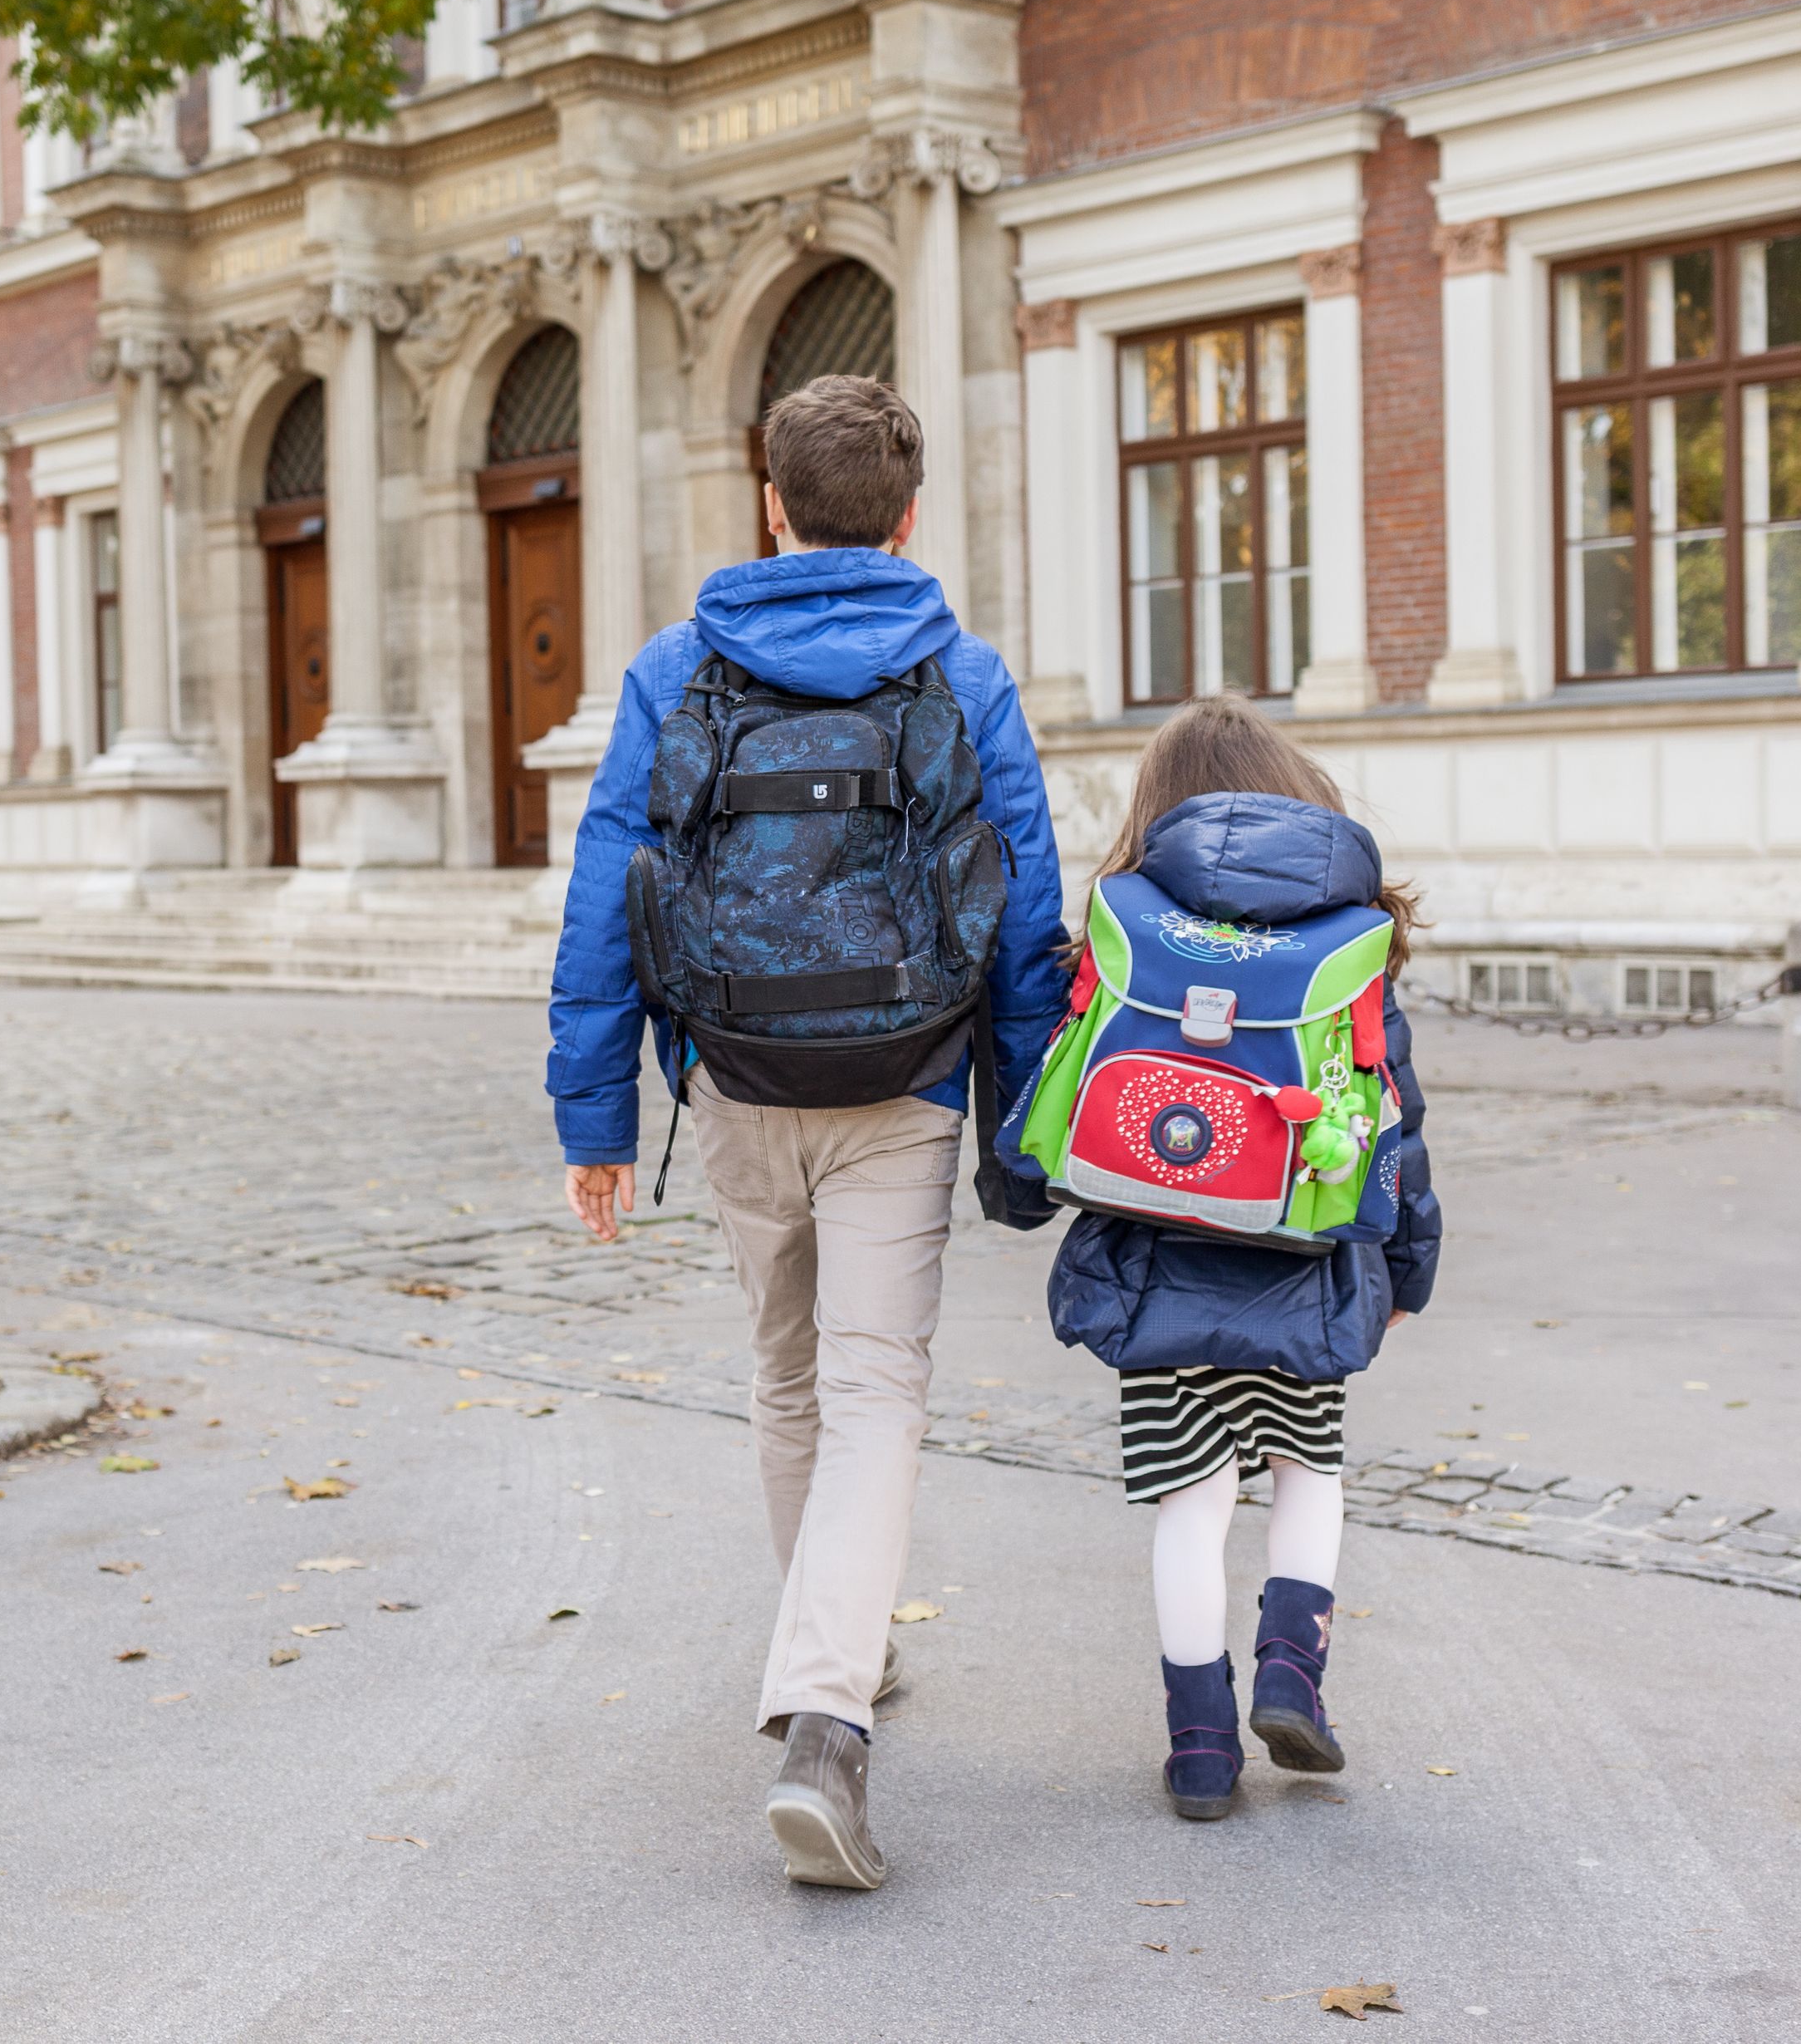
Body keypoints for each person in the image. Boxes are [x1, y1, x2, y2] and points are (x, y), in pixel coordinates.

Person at [547, 373, 1067, 1892]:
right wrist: (1023, 1121)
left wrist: (597, 1109)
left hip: (733, 1079)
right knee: (876, 1387)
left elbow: (604, 894)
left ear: (771, 503)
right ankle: (828, 1714)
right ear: (906, 517)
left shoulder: (672, 667)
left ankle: (823, 1651)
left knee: (788, 1373)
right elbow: (1023, 911)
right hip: (900, 1081)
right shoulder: (960, 670)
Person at [1003, 697, 1440, 1821]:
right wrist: (1410, 1268)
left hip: (1157, 1264)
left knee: (1190, 1502)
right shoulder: (1347, 944)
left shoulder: (1123, 927)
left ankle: (1200, 1748)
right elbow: (1400, 1120)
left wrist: (1010, 1184)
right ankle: (1294, 1671)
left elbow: (1054, 1075)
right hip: (1307, 1262)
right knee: (1309, 1473)